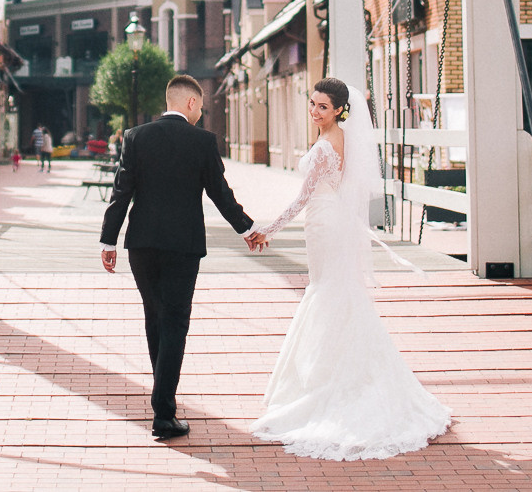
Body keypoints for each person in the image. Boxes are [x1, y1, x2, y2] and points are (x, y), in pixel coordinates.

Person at [245, 77, 450, 460]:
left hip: (324, 223)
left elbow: (301, 198)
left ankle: (330, 383)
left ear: (339, 109)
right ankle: (347, 372)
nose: (315, 111)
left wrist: (266, 230)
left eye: (323, 107)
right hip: (331, 221)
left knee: (327, 294)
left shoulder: (325, 147)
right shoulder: (345, 139)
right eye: (313, 104)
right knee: (335, 294)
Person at [98, 74, 259, 440]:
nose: (201, 113)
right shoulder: (202, 142)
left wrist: (109, 241)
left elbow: (120, 191)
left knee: (155, 319)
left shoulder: (135, 137)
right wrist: (247, 229)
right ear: (189, 104)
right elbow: (220, 193)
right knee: (175, 322)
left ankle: (162, 401)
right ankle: (163, 414)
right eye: (200, 106)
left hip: (140, 245)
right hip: (182, 247)